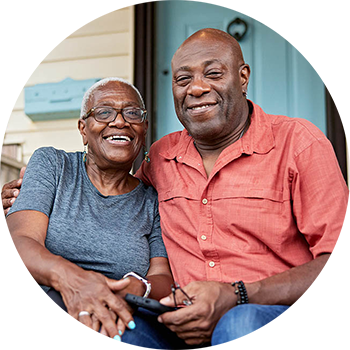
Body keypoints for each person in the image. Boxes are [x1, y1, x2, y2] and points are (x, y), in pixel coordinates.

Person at [1, 29, 350, 349]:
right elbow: (116, 196)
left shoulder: (298, 144)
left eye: (213, 74)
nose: (196, 88)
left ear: (243, 78)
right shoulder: (161, 159)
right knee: (120, 331)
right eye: (184, 79)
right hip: (177, 323)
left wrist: (239, 295)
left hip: (268, 314)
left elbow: (341, 264)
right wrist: (23, 196)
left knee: (240, 326)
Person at [3, 77, 173, 347]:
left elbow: (162, 274)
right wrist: (75, 281)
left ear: (144, 129)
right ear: (83, 129)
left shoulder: (152, 200)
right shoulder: (52, 165)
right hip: (45, 304)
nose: (119, 122)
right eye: (104, 112)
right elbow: (19, 242)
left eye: (132, 113)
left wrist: (141, 286)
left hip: (121, 316)